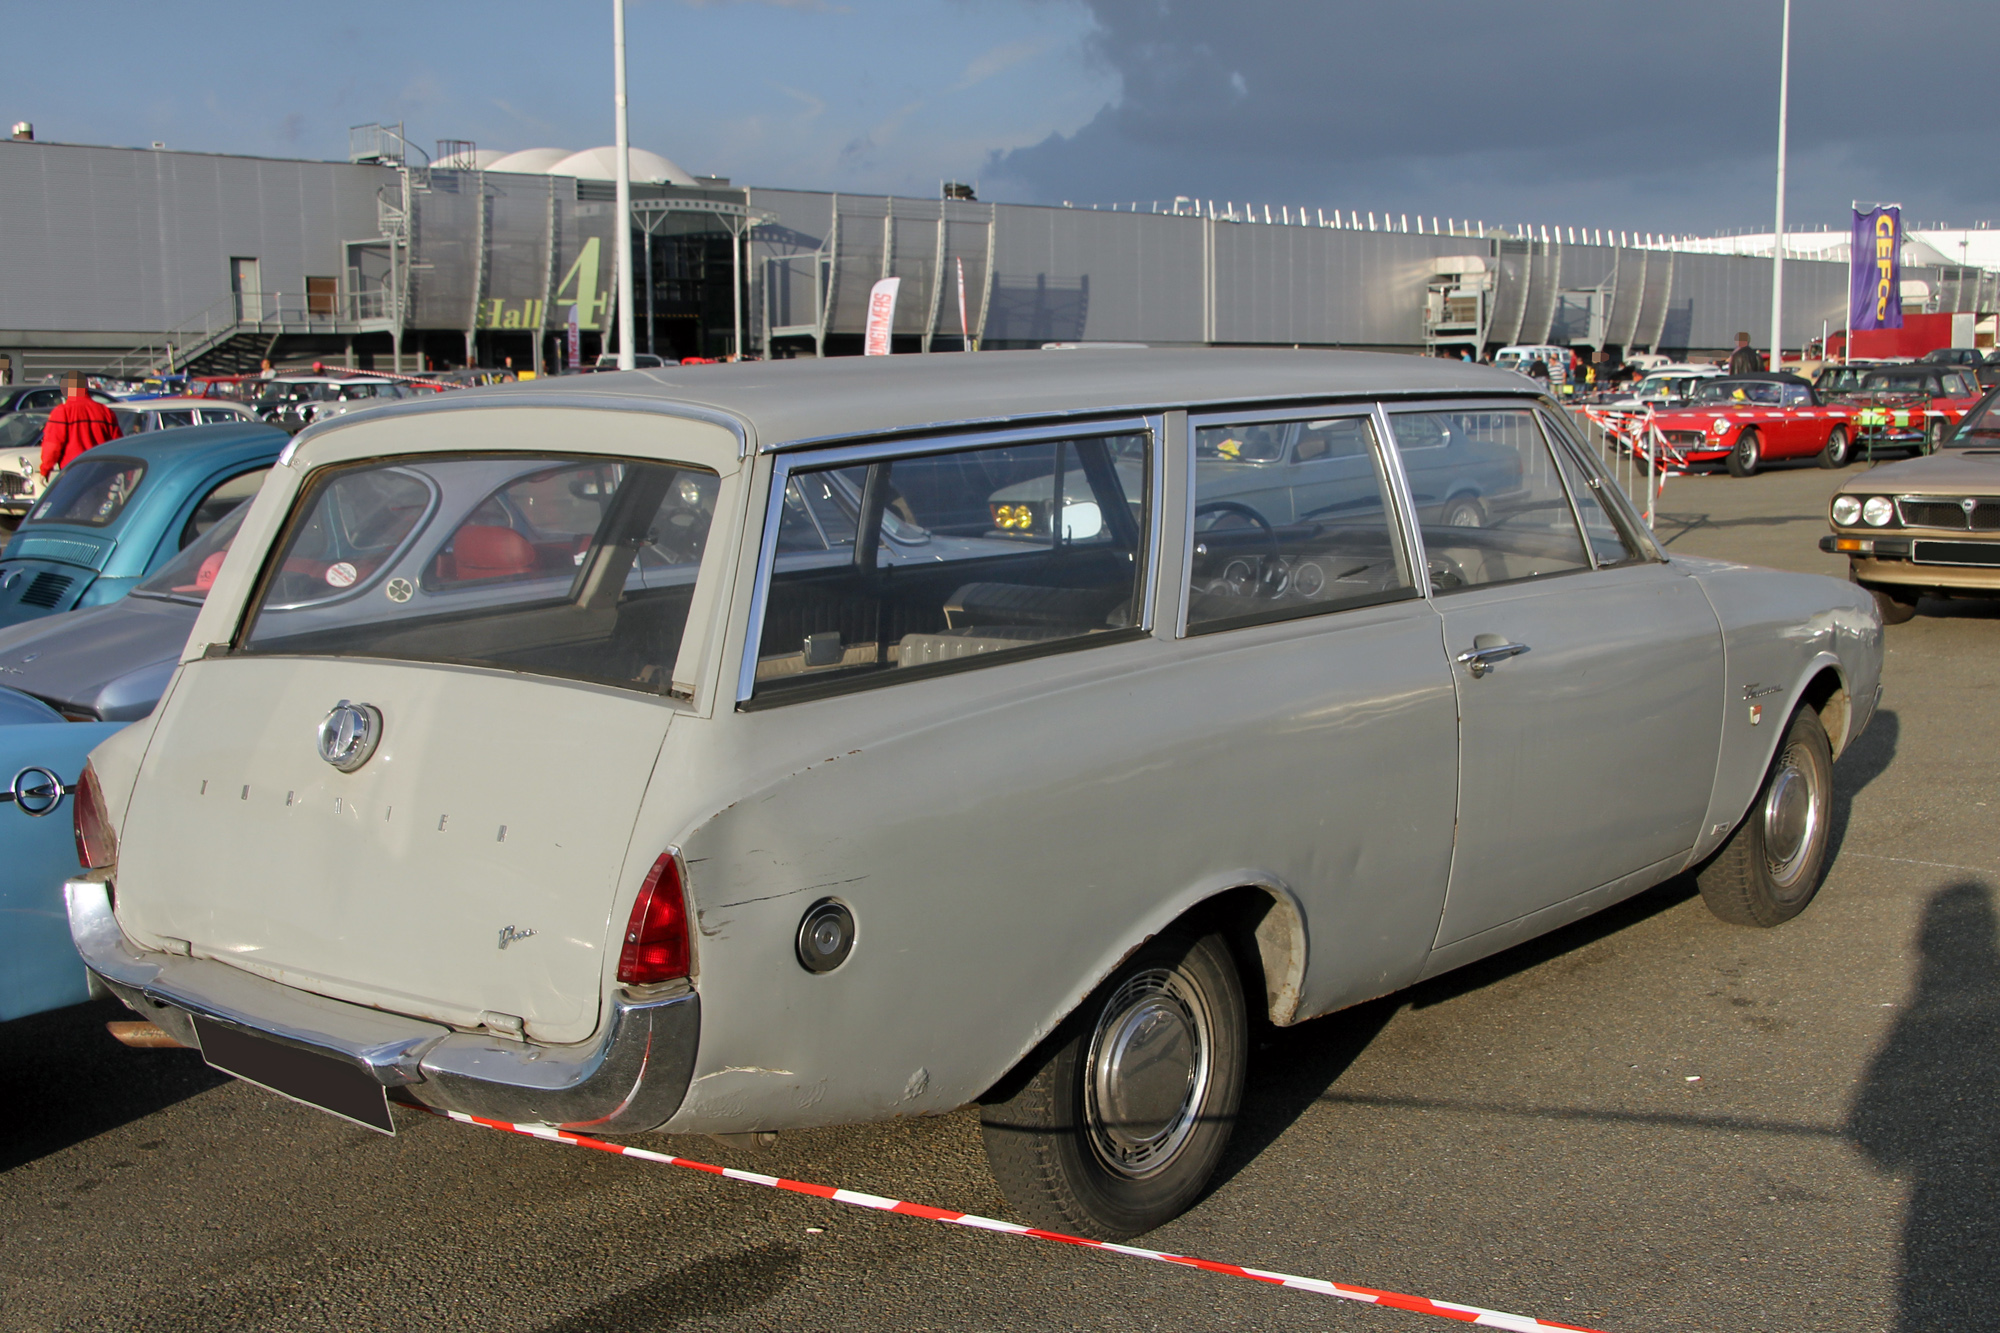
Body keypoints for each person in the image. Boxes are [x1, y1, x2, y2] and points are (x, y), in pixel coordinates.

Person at [40, 371, 121, 478]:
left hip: (73, 472)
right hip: (101, 474)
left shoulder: (62, 412)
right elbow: (117, 445)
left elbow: (53, 445)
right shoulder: (105, 411)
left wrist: (45, 470)